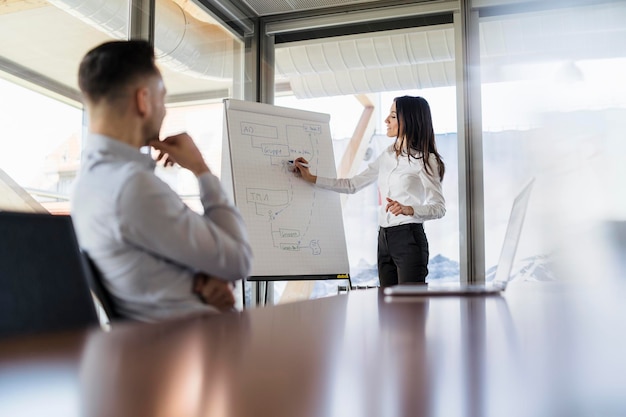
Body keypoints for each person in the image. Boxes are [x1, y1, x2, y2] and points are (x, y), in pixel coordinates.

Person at [71, 40, 252, 322]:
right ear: (143, 100)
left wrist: (204, 276)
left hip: (170, 347)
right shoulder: (131, 186)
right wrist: (201, 169)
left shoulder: (89, 184)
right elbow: (239, 259)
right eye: (162, 97)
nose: (164, 110)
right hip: (196, 349)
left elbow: (148, 262)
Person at [293, 96, 445, 287]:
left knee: (409, 310)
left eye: (392, 116)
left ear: (409, 120)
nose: (386, 121)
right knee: (387, 307)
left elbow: (439, 208)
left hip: (409, 238)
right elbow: (352, 185)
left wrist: (410, 209)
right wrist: (311, 178)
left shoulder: (424, 159)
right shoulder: (387, 156)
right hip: (384, 237)